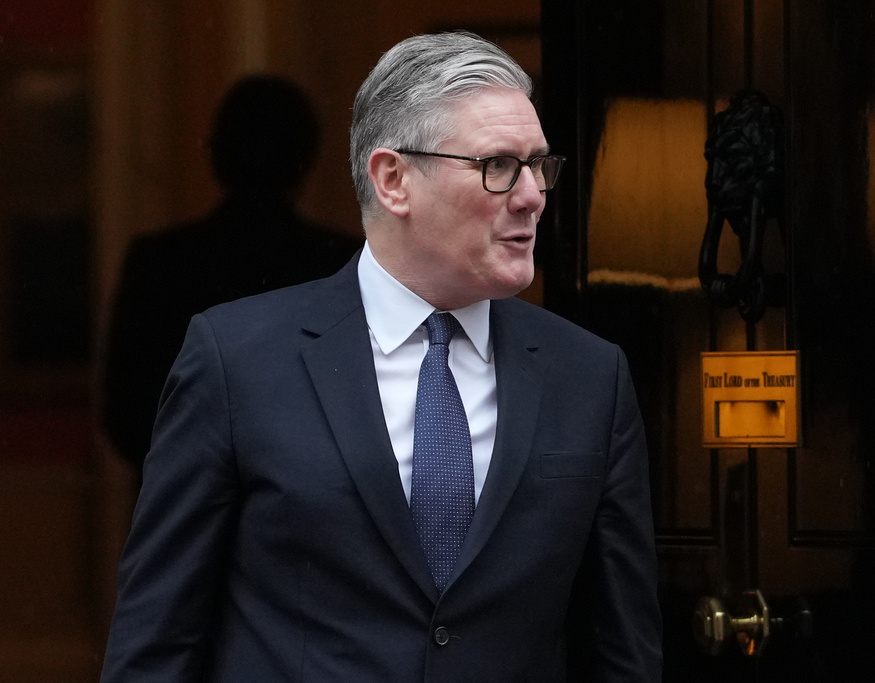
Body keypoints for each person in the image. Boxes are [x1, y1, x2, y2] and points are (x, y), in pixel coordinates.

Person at [100, 32, 662, 682]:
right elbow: (156, 646)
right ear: (393, 179)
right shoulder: (236, 361)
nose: (534, 194)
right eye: (499, 165)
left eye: (540, 164)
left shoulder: (591, 377)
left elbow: (623, 653)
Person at [101, 75, 360, 477]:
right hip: (309, 522)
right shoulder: (342, 264)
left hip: (184, 517)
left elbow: (127, 415)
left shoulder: (161, 263)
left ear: (215, 152)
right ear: (307, 157)